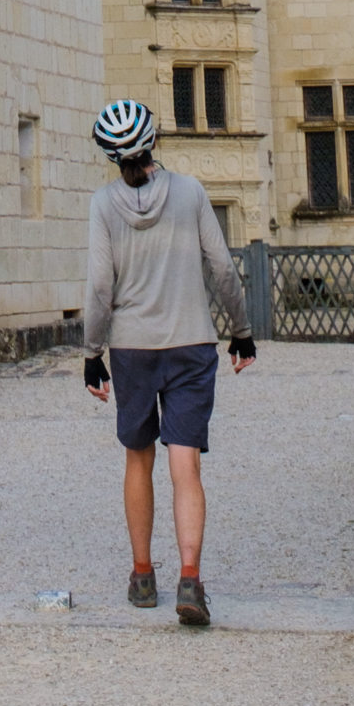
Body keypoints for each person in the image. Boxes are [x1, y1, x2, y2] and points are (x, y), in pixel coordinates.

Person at [81, 97, 255, 621]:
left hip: (132, 348)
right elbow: (222, 268)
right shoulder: (192, 193)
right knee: (186, 461)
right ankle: (190, 581)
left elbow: (98, 287)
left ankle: (141, 577)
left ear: (112, 156)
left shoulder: (103, 205)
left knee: (139, 458)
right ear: (154, 141)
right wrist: (241, 331)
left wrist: (93, 353)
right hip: (190, 344)